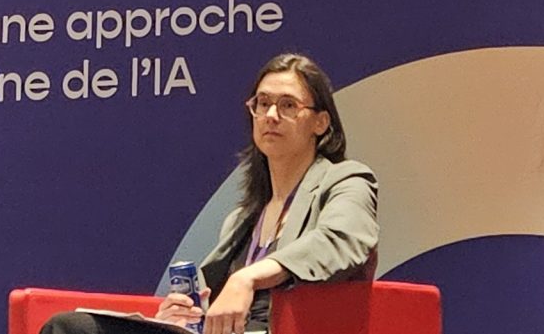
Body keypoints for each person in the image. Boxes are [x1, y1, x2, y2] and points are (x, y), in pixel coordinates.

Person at [45, 52, 379, 334]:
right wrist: (183, 315)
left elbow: (341, 240)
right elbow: (217, 309)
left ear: (320, 122)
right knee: (72, 328)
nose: (271, 116)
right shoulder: (243, 219)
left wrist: (248, 278)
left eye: (288, 105)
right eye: (263, 103)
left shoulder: (347, 180)